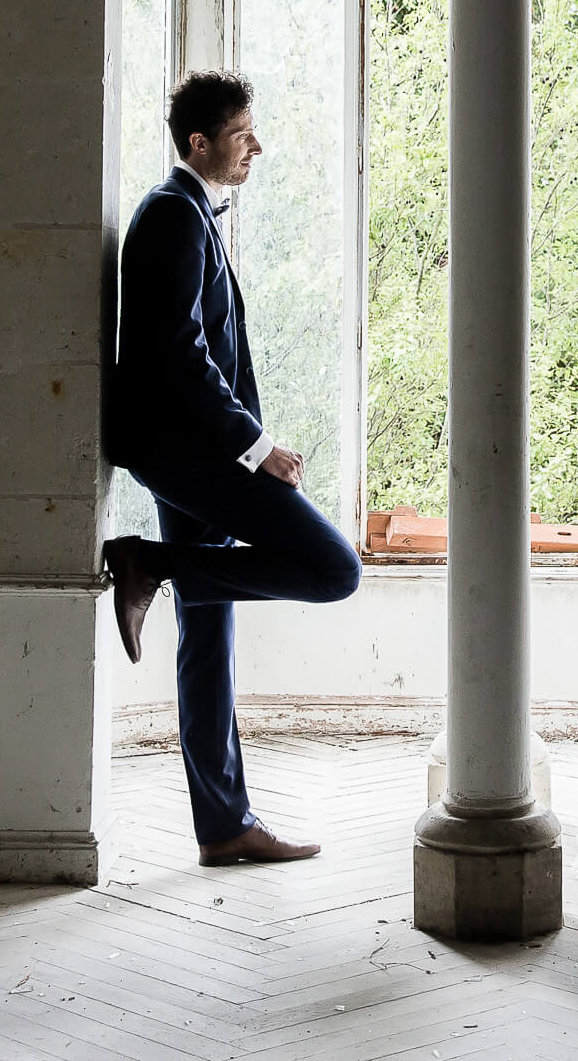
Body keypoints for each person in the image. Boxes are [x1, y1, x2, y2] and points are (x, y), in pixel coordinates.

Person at [105, 70, 363, 867]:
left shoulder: (187, 213)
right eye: (244, 131)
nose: (257, 144)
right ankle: (147, 564)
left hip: (186, 450)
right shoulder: (173, 215)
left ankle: (222, 825)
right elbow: (180, 356)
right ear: (199, 142)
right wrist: (257, 447)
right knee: (332, 569)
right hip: (191, 455)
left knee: (206, 631)